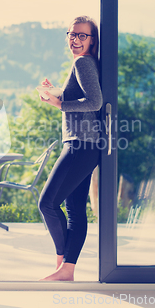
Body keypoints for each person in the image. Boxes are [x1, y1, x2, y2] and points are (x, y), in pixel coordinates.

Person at [38, 15, 103, 281]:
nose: (75, 40)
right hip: (83, 143)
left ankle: (62, 261)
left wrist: (59, 104)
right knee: (75, 210)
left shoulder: (83, 62)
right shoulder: (86, 63)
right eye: (71, 34)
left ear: (92, 40)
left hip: (81, 144)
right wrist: (56, 93)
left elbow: (95, 102)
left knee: (47, 203)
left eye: (81, 35)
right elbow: (81, 96)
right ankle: (66, 269)